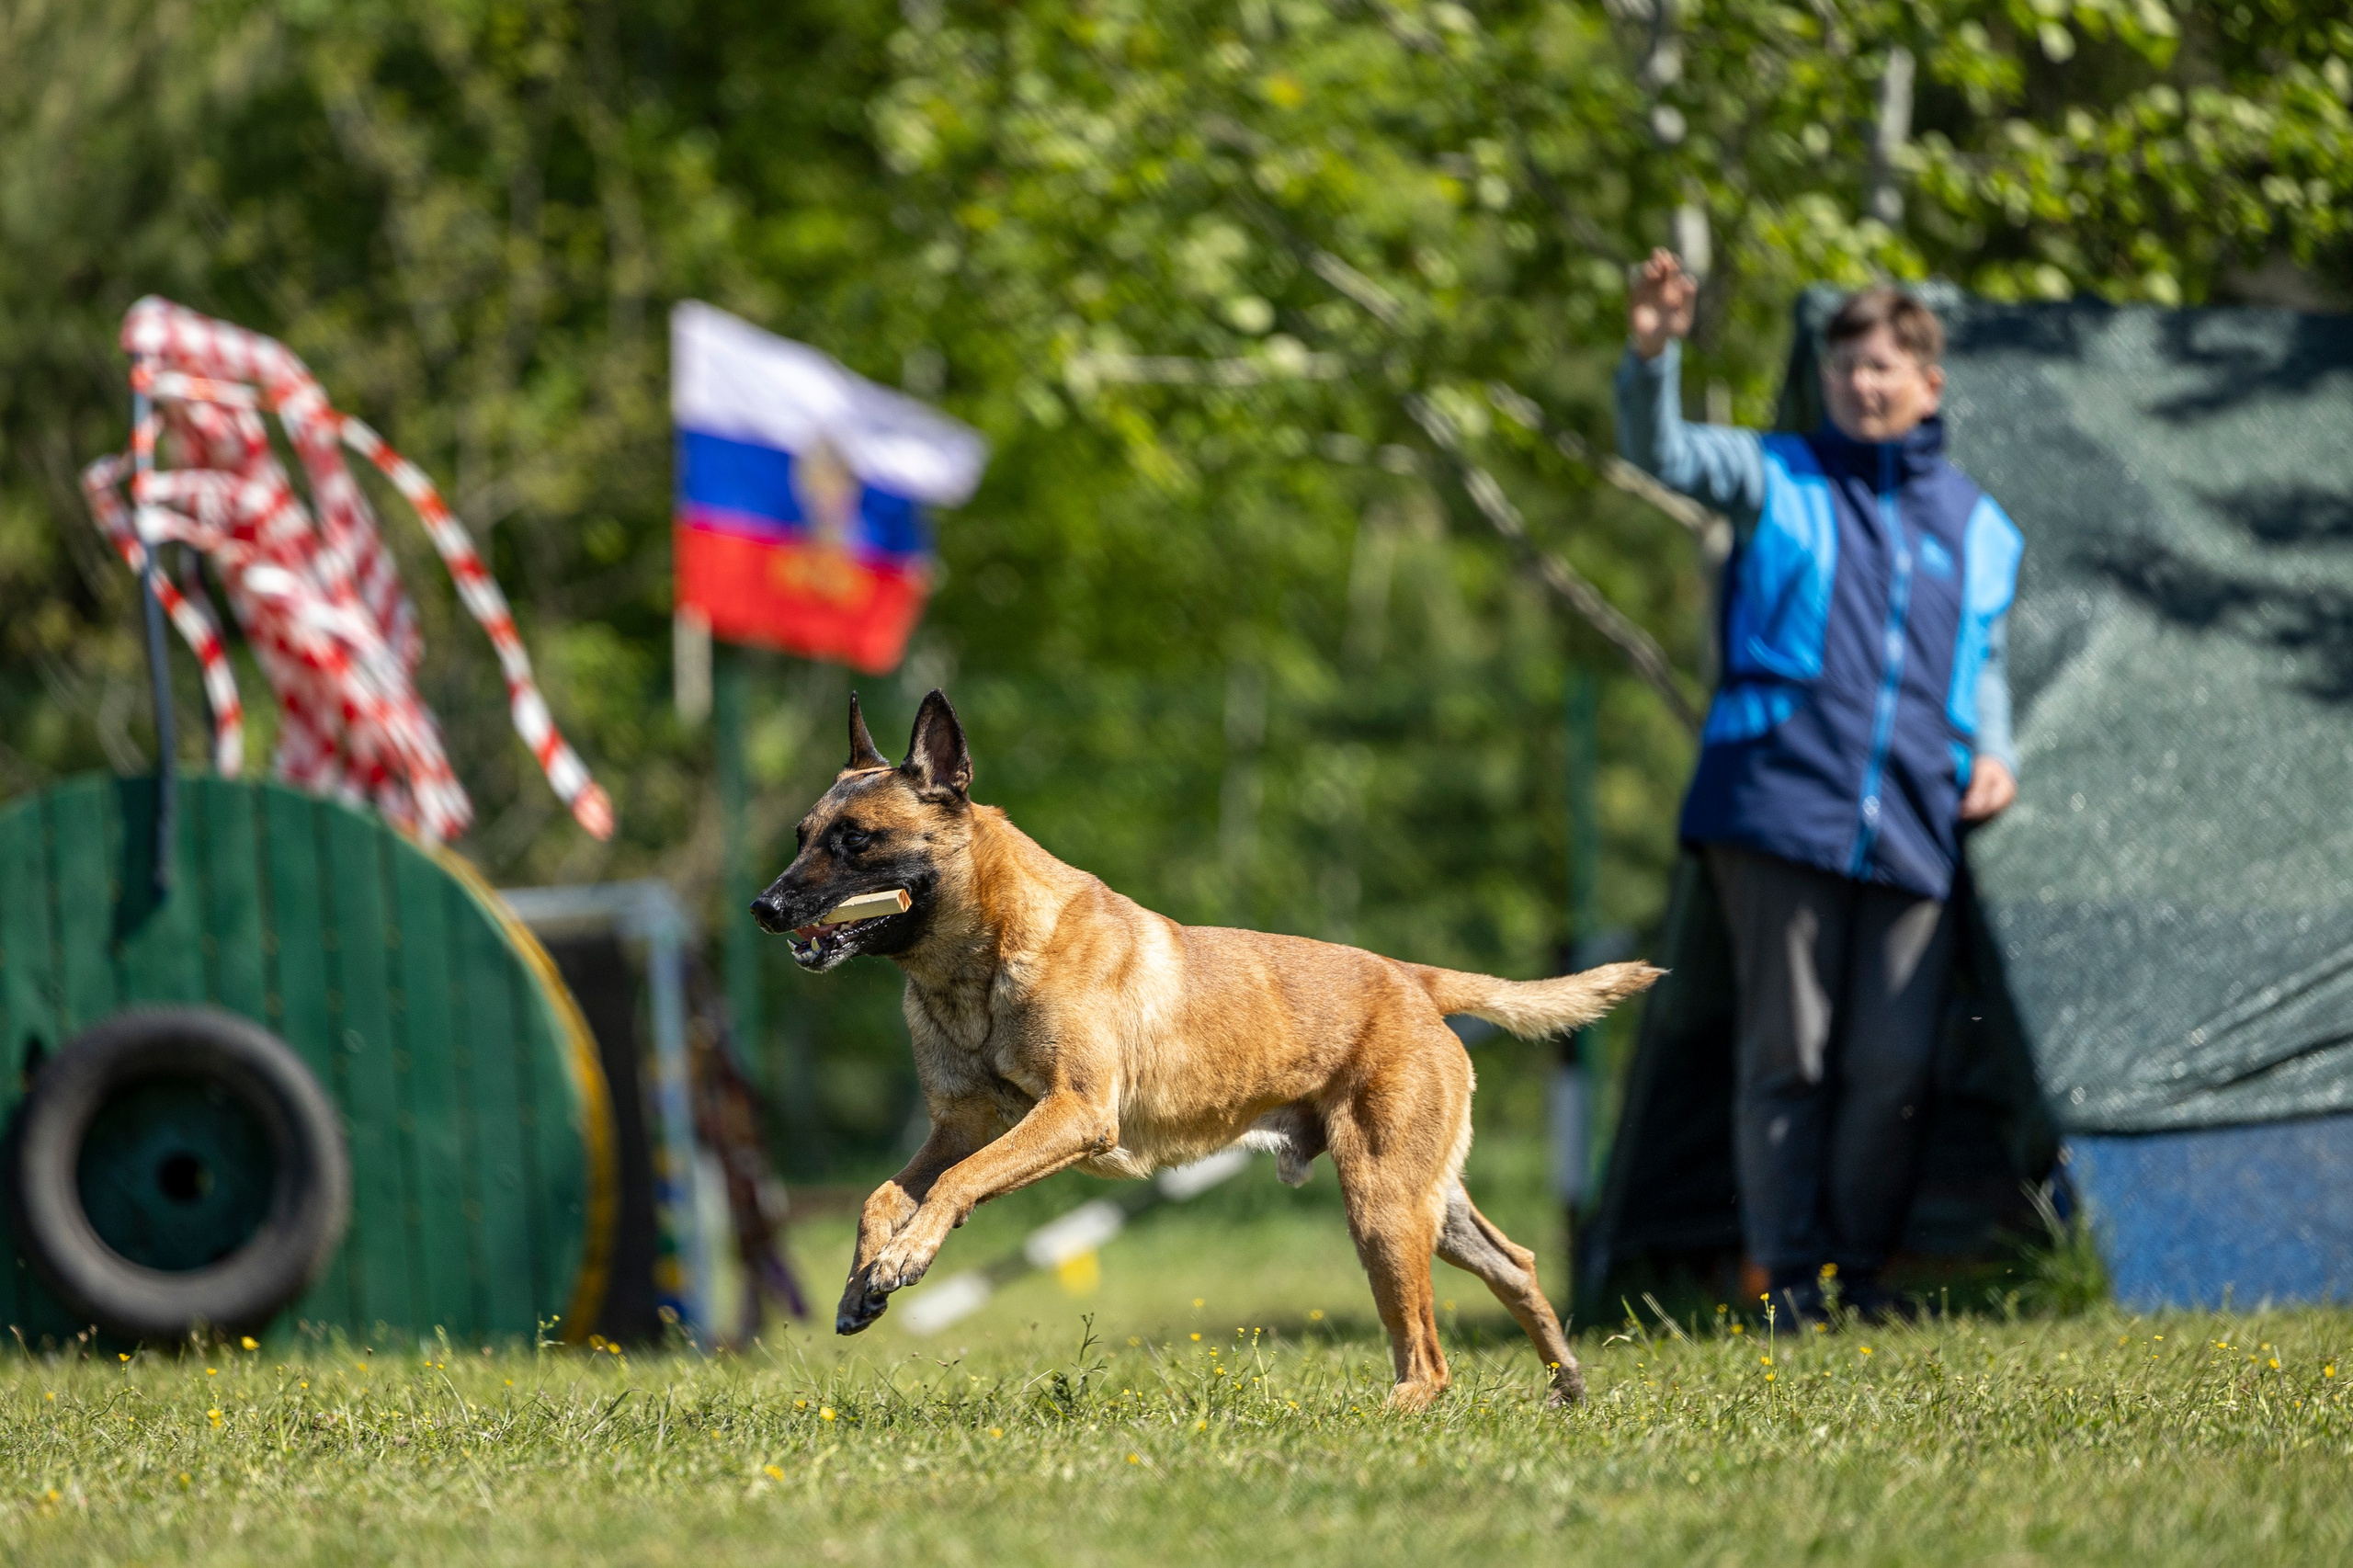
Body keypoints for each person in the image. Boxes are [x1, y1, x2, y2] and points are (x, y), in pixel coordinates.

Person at [1614, 251, 2022, 1319]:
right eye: (1844, 367)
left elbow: (1983, 656)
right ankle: (1787, 1277)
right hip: (1774, 800)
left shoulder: (1980, 526)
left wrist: (1997, 748)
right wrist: (1652, 350)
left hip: (1914, 820)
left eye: (1882, 367)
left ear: (1929, 384)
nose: (1860, 385)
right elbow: (1657, 449)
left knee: (1892, 1066)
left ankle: (1858, 1274)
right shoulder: (1775, 473)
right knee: (1786, 1051)